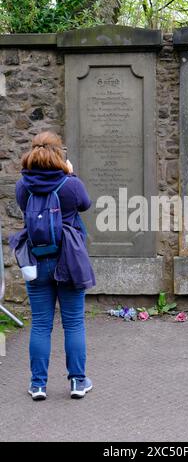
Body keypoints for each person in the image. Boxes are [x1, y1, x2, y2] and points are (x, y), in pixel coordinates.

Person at [14, 131, 94, 401]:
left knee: (40, 325)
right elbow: (85, 204)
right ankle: (78, 383)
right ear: (60, 153)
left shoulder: (22, 186)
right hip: (68, 260)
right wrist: (70, 174)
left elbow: (24, 208)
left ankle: (38, 385)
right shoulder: (69, 185)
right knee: (73, 324)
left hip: (36, 261)